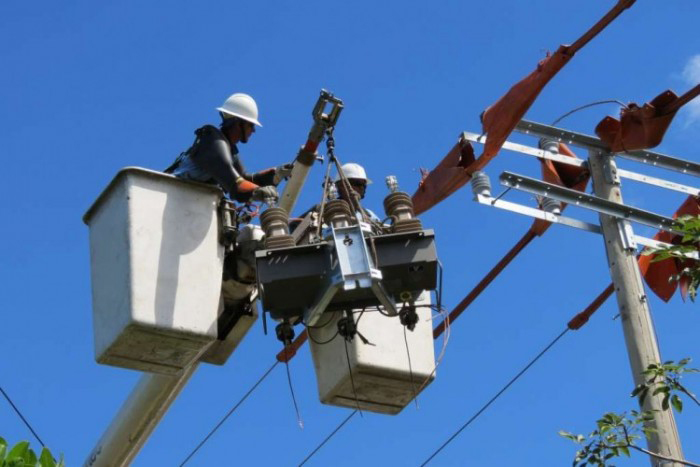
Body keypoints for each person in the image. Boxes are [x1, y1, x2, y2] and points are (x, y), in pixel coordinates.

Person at [165, 92, 292, 203]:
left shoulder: (229, 149)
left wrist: (277, 174)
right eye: (251, 125)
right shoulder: (212, 142)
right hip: (174, 195)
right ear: (238, 123)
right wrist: (258, 192)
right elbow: (235, 184)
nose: (253, 130)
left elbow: (246, 179)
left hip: (188, 204)